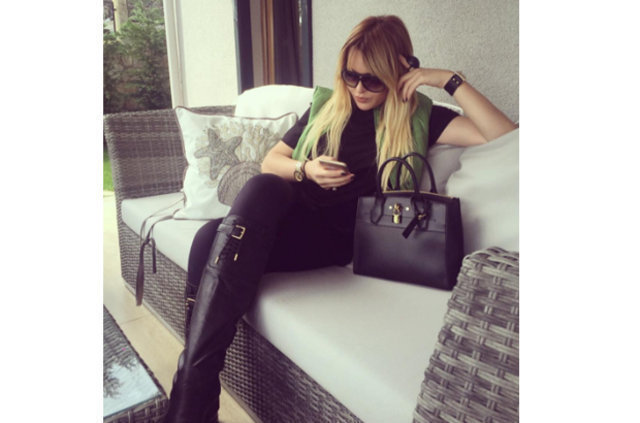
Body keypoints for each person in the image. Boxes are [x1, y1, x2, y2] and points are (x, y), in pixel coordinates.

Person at [162, 15, 516, 423]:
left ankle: (189, 399)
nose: (359, 88)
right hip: (289, 214)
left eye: (372, 80)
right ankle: (195, 396)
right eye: (351, 75)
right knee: (229, 217)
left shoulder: (421, 116)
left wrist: (447, 80)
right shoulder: (327, 108)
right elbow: (272, 160)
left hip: (337, 237)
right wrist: (307, 170)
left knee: (212, 239)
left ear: (399, 71)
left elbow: (505, 135)